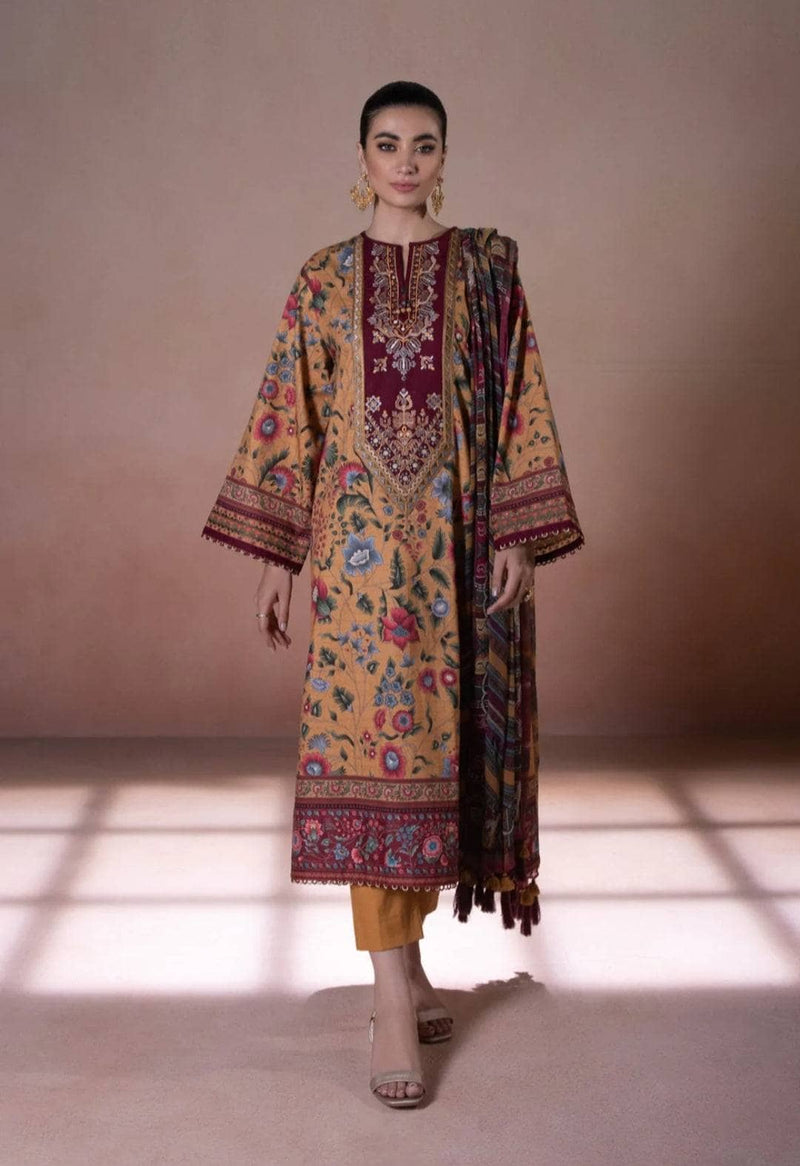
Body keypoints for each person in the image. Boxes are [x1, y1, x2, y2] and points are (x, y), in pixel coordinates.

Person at [201, 80, 584, 1108]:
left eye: (422, 144)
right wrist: (279, 559)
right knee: (376, 749)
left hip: (457, 551)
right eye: (386, 144)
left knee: (436, 751)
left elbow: (520, 398)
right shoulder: (323, 280)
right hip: (359, 564)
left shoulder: (486, 273)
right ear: (360, 157)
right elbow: (289, 415)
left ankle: (408, 966)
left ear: (444, 156)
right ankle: (387, 1000)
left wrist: (519, 531)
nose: (405, 162)